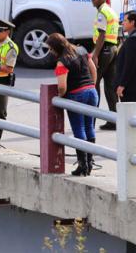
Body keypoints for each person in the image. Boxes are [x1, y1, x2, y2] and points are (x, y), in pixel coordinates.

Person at [46, 33, 98, 176]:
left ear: (56, 48)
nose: (50, 52)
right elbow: (93, 69)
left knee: (79, 129)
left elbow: (62, 87)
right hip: (92, 92)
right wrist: (91, 85)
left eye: (50, 48)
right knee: (89, 127)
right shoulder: (81, 50)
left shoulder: (62, 62)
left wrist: (59, 97)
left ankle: (83, 165)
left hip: (76, 95)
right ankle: (90, 162)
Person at [115, 11, 136, 156]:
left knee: (130, 117)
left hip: (130, 86)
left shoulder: (134, 39)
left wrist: (122, 85)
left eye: (125, 21)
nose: (123, 23)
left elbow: (130, 65)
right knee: (131, 117)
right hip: (131, 84)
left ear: (133, 22)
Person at [90, 0, 120, 130]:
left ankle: (91, 119)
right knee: (111, 86)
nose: (92, 1)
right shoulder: (111, 10)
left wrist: (95, 54)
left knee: (94, 83)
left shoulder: (102, 12)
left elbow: (101, 35)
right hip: (113, 49)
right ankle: (114, 120)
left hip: (104, 50)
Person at [0, 18, 19, 147]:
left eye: (0, 31)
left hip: (1, 81)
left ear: (7, 32)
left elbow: (9, 68)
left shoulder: (11, 48)